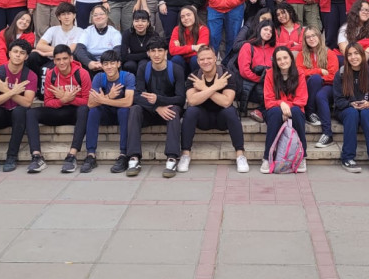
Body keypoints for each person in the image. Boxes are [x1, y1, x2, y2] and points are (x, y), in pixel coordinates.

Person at [182, 45, 248, 174]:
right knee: (191, 111)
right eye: (202, 59)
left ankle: (240, 155)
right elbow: (192, 101)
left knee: (230, 111)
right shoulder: (194, 77)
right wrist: (214, 88)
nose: (205, 62)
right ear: (198, 61)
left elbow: (226, 102)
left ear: (215, 59)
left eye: (209, 58)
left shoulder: (226, 75)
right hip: (203, 119)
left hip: (222, 118)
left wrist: (204, 89)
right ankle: (185, 155)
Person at [127, 38, 186, 177]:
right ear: (148, 53)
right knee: (135, 109)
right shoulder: (143, 68)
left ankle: (172, 157)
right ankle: (133, 157)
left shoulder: (176, 69)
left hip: (169, 112)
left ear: (166, 52)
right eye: (153, 51)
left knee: (174, 110)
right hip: (150, 112)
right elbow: (136, 96)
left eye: (160, 50)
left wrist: (159, 100)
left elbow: (181, 99)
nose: (157, 54)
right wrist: (157, 107)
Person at [0, 38, 38, 173]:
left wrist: (7, 91)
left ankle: (11, 156)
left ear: (26, 57)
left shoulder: (30, 75)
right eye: (15, 51)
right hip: (1, 112)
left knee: (20, 111)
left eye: (22, 53)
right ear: (9, 53)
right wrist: (13, 92)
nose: (18, 55)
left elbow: (27, 103)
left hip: (17, 115)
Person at [40, 45, 93, 174]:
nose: (62, 62)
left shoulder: (82, 73)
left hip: (75, 112)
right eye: (58, 59)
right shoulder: (51, 75)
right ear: (54, 61)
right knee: (30, 113)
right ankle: (36, 156)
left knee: (84, 110)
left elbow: (88, 101)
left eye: (65, 58)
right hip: (59, 109)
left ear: (71, 58)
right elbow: (47, 102)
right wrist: (62, 100)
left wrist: (68, 98)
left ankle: (72, 155)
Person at [84, 49, 136, 175]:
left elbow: (128, 102)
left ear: (118, 64)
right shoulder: (99, 77)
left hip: (122, 115)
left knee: (124, 111)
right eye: (106, 64)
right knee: (93, 111)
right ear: (101, 65)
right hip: (106, 114)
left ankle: (123, 154)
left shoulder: (128, 77)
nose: (109, 67)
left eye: (112, 63)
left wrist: (102, 99)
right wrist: (109, 97)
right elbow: (90, 104)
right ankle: (91, 155)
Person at [333, 42, 369, 173]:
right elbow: (338, 100)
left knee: (366, 114)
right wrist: (350, 104)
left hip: (367, 108)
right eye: (349, 54)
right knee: (352, 113)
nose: (353, 57)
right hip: (346, 109)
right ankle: (347, 158)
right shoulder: (341, 74)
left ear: (362, 55)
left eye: (356, 53)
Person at [261, 46, 309, 174]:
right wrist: (281, 104)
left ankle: (302, 156)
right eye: (279, 59)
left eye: (285, 58)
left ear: (291, 58)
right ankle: (267, 157)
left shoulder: (299, 73)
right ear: (275, 62)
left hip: (294, 109)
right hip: (275, 110)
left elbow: (302, 99)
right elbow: (268, 100)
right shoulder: (270, 74)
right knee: (275, 113)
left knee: (298, 112)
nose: (283, 61)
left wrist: (287, 106)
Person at [297, 27, 339, 147]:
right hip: (309, 87)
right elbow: (299, 73)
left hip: (328, 87)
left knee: (320, 94)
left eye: (314, 35)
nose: (311, 39)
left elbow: (333, 75)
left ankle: (327, 134)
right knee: (314, 79)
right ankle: (310, 113)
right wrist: (319, 71)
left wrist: (319, 78)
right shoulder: (301, 55)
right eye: (308, 37)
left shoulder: (329, 53)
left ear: (319, 37)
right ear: (305, 40)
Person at [237, 19, 276, 121]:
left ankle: (260, 111)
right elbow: (244, 71)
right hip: (252, 86)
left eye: (271, 31)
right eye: (265, 29)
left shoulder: (274, 48)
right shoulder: (248, 46)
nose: (268, 33)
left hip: (270, 84)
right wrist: (260, 79)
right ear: (259, 29)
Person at [30, 2, 82, 76]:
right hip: (51, 58)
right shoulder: (53, 29)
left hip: (67, 59)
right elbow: (40, 45)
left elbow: (70, 50)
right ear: (59, 17)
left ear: (74, 16)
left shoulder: (80, 31)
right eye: (63, 14)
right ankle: (36, 81)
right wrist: (55, 51)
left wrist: (45, 53)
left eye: (69, 14)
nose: (66, 17)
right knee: (33, 55)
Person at [338, 0, 369, 69]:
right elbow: (343, 48)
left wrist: (367, 52)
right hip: (352, 58)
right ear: (355, 11)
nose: (366, 12)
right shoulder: (345, 28)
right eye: (362, 10)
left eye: (368, 10)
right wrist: (357, 56)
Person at [74, 6, 123, 75]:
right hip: (91, 62)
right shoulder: (87, 31)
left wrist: (105, 64)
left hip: (109, 62)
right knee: (76, 54)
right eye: (95, 15)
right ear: (92, 18)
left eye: (101, 14)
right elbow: (79, 49)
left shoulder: (114, 32)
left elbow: (117, 51)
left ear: (107, 16)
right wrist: (89, 63)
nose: (98, 17)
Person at [169, 5, 209, 74]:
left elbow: (201, 50)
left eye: (188, 15)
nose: (186, 18)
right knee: (176, 59)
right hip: (182, 63)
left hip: (195, 64)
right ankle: (181, 82)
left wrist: (180, 49)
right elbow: (172, 51)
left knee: (195, 59)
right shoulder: (177, 29)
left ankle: (195, 82)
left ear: (195, 15)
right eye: (182, 17)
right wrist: (193, 47)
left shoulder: (203, 29)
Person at [121, 9, 156, 74]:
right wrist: (145, 54)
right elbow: (124, 56)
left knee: (144, 65)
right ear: (133, 22)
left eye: (143, 21)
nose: (140, 24)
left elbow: (154, 54)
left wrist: (147, 55)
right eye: (136, 21)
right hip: (131, 60)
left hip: (146, 60)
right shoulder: (127, 34)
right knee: (129, 66)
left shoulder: (153, 35)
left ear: (148, 23)